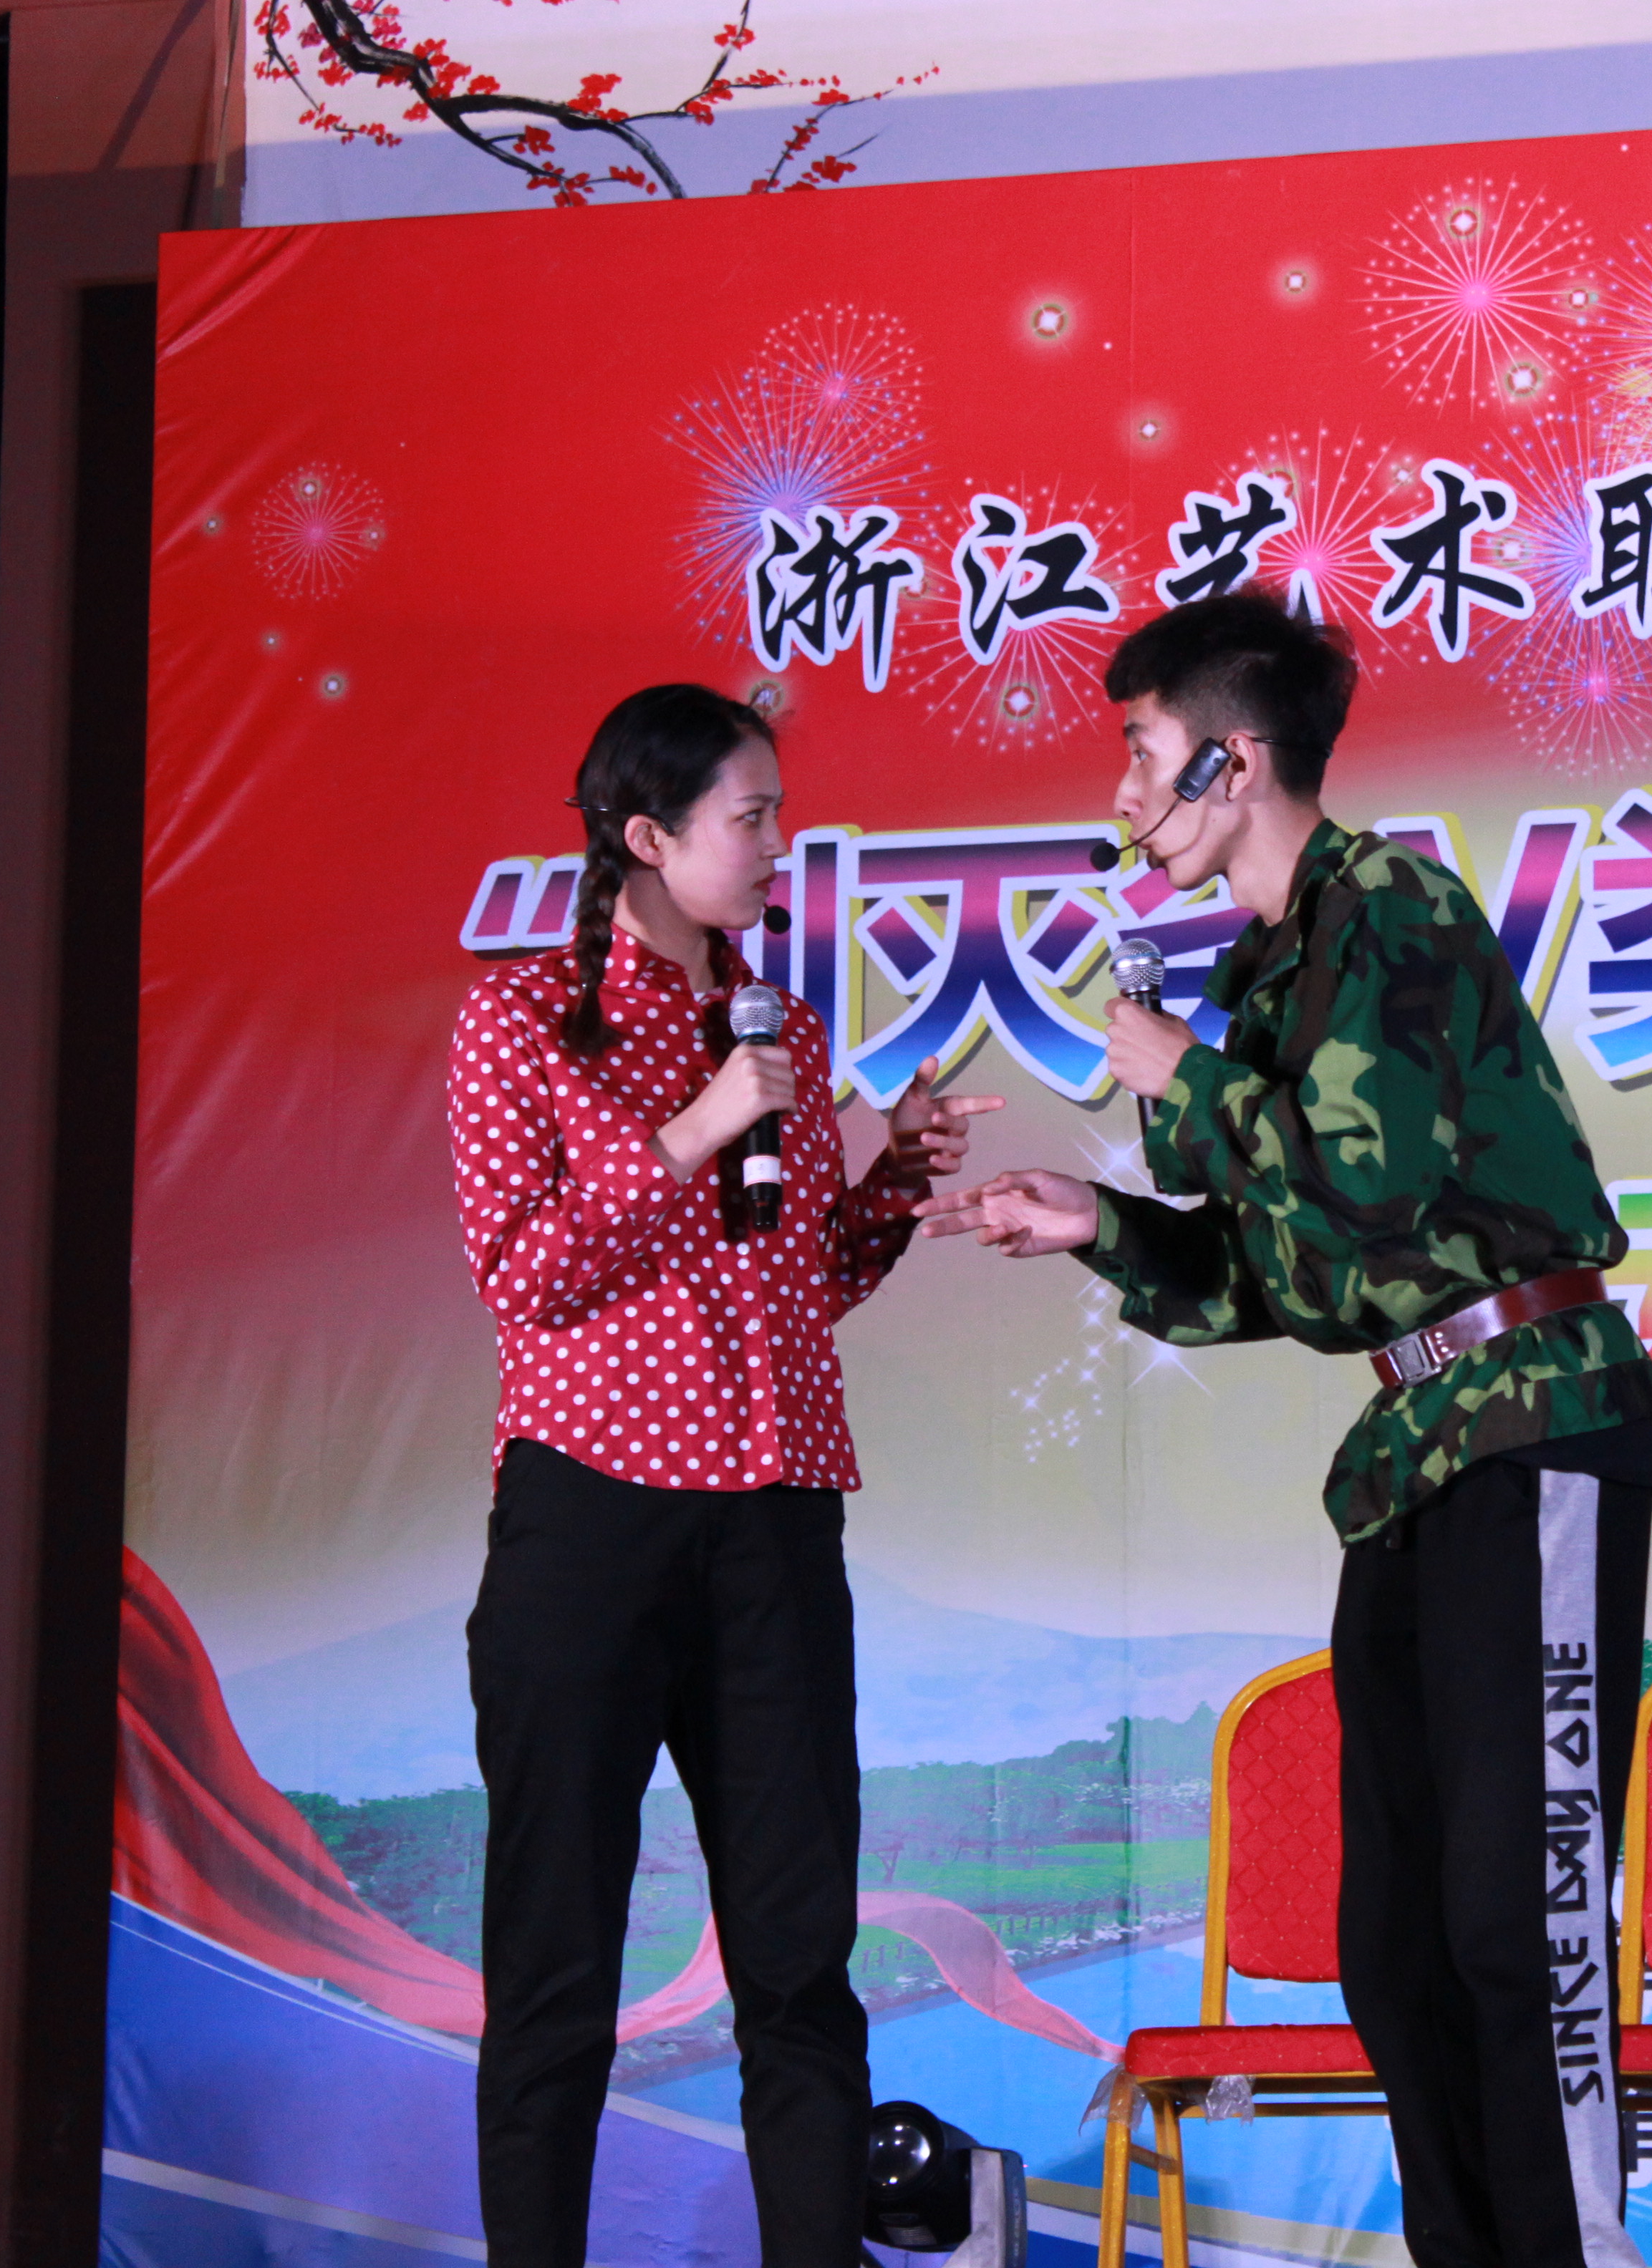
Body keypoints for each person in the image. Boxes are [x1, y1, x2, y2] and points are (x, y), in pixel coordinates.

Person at [915, 592, 1652, 2268]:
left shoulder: (1389, 903)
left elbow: (1374, 1176)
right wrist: (1098, 1223)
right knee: (1395, 1942)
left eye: (1143, 753)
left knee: (1517, 1918)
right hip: (1414, 1453)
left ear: (1232, 761)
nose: (1125, 796)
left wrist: (1181, 1078)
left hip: (1531, 1427)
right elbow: (1291, 1268)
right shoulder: (1270, 970)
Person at [445, 682, 996, 2268]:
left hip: (774, 1529)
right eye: (750, 818)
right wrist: (692, 1128)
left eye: (778, 817)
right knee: (557, 1960)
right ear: (646, 835)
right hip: (592, 1521)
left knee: (800, 1961)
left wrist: (890, 1183)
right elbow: (523, 1275)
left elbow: (792, 1286)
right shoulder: (520, 1021)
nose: (775, 846)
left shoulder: (783, 1029)